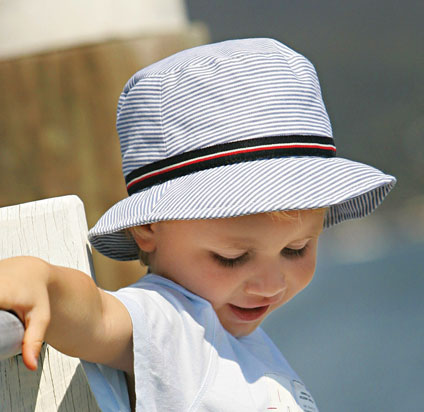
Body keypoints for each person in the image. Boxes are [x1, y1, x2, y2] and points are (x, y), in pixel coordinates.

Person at [0, 38, 396, 411]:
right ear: (149, 226)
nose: (271, 283)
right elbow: (98, 316)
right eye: (233, 256)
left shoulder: (239, 344)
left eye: (296, 249)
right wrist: (43, 281)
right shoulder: (175, 325)